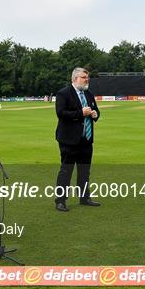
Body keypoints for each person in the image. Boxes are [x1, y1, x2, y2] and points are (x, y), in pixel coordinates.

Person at [54, 68, 101, 212]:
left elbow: (96, 111)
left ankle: (84, 197)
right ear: (75, 79)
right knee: (66, 171)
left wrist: (95, 115)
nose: (87, 79)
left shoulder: (88, 94)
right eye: (84, 77)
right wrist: (80, 113)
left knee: (84, 171)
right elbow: (61, 113)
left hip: (86, 139)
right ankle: (60, 201)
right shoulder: (64, 93)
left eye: (87, 77)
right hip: (69, 139)